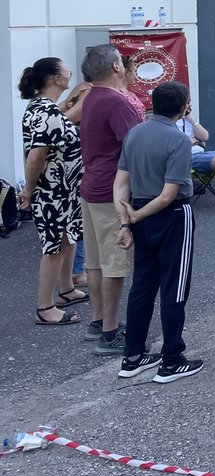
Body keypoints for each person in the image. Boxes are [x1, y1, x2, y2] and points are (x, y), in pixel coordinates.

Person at [112, 81, 206, 383]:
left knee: (142, 285)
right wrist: (137, 215)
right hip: (172, 214)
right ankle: (172, 358)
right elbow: (169, 194)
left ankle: (133, 355)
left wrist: (127, 220)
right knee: (174, 286)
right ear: (184, 107)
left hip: (139, 210)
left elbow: (120, 183)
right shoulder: (178, 140)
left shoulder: (134, 133)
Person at [79, 45, 140, 354]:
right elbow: (136, 146)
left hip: (91, 185)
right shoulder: (117, 102)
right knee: (114, 262)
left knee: (95, 261)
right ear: (117, 66)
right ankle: (110, 332)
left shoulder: (90, 98)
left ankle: (97, 320)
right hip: (111, 191)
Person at [18, 57, 85, 326]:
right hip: (52, 192)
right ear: (56, 78)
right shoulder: (45, 110)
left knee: (68, 238)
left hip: (64, 189)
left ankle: (66, 289)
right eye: (65, 70)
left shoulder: (44, 107)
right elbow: (36, 157)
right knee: (54, 246)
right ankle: (45, 308)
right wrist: (29, 191)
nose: (69, 72)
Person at [118, 56, 148, 121]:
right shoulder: (118, 95)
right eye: (134, 71)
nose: (135, 75)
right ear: (126, 72)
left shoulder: (130, 93)